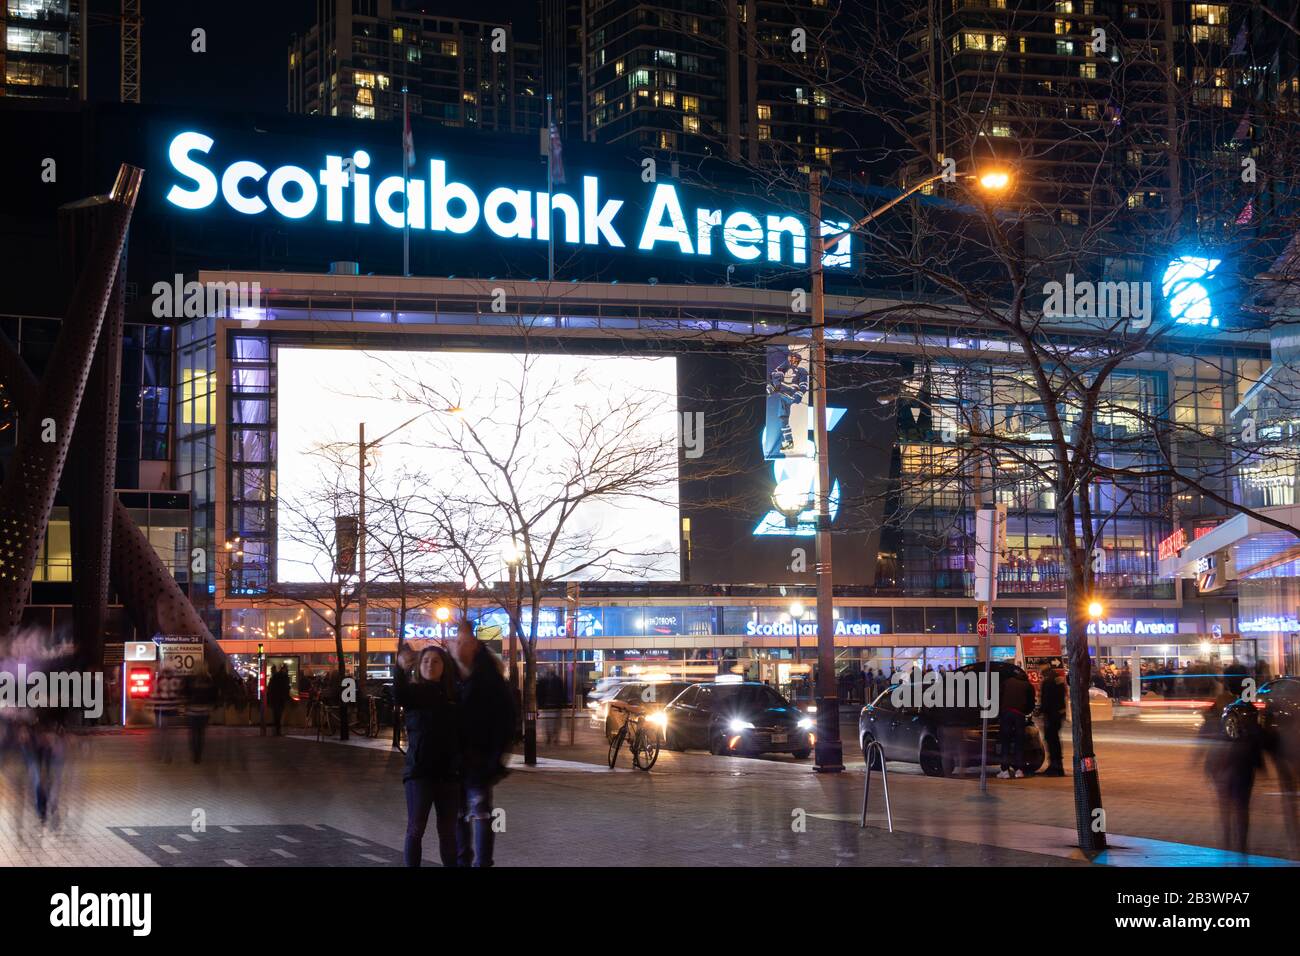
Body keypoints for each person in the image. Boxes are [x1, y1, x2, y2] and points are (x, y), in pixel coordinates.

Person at [453, 626, 517, 867]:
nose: (458, 646)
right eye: (456, 642)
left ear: (475, 647)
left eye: (464, 642)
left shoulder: (489, 680)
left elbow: (506, 722)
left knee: (479, 813)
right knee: (459, 815)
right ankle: (464, 861)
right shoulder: (453, 677)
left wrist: (495, 761)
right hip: (454, 762)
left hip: (479, 761)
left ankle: (482, 863)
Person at [395, 643, 461, 867]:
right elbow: (398, 693)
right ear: (419, 666)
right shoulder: (415, 693)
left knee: (448, 832)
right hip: (420, 773)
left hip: (449, 775)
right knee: (416, 828)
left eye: (436, 661)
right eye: (425, 661)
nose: (430, 665)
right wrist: (401, 668)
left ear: (445, 666)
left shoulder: (454, 695)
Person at [1205, 715, 1263, 855]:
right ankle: (1241, 845)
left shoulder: (1219, 742)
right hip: (1242, 783)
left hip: (1225, 783)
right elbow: (1259, 764)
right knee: (1241, 813)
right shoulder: (1249, 742)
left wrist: (1214, 778)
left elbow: (1209, 765)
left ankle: (1227, 841)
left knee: (1226, 812)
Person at [767, 350, 809, 454]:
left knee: (784, 418)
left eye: (795, 359)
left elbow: (804, 385)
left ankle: (789, 442)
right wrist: (773, 386)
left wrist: (798, 394)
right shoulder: (784, 366)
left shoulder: (801, 371)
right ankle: (788, 441)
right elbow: (775, 375)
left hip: (790, 396)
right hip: (783, 395)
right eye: (791, 358)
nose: (792, 360)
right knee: (783, 419)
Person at [997, 667, 1035, 779]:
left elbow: (999, 698)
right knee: (1019, 743)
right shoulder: (1028, 686)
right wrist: (1025, 712)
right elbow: (1031, 704)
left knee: (1005, 742)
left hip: (1006, 714)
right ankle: (1019, 770)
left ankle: (1005, 770)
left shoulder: (1006, 682)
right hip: (1019, 715)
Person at [1037, 665, 1066, 776]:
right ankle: (1058, 766)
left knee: (1051, 740)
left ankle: (1054, 767)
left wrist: (1040, 711)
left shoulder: (1048, 681)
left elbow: (1046, 699)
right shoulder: (1058, 677)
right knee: (1055, 740)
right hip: (1059, 713)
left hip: (1051, 714)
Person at [268, 664, 290, 736]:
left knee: (276, 714)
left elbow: (270, 688)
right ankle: (278, 729)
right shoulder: (285, 677)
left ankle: (276, 729)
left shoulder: (275, 677)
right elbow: (286, 688)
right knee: (279, 714)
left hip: (275, 698)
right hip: (280, 698)